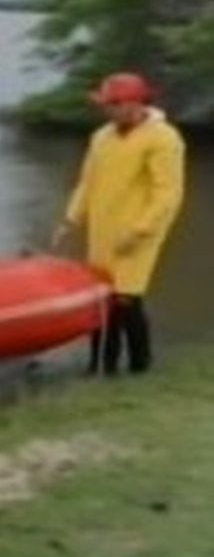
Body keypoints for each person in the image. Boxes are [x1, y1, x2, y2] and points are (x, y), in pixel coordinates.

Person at [52, 72, 185, 375]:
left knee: (126, 298)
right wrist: (70, 220)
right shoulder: (101, 138)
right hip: (103, 229)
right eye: (106, 105)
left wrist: (140, 231)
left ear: (135, 104)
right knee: (102, 299)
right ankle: (101, 366)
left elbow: (167, 192)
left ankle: (140, 365)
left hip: (139, 231)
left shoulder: (163, 138)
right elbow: (87, 183)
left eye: (113, 105)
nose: (108, 111)